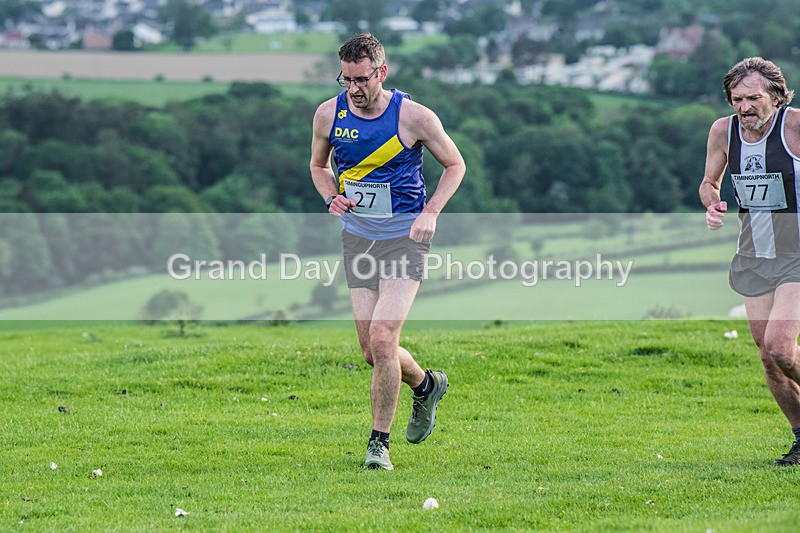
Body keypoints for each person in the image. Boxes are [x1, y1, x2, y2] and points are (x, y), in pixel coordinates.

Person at [309, 33, 466, 470]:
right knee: (371, 350)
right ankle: (427, 385)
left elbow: (456, 165)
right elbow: (319, 166)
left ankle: (379, 445)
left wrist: (431, 212)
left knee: (383, 338)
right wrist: (330, 197)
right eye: (346, 80)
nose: (354, 89)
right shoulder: (328, 114)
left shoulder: (414, 117)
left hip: (405, 238)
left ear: (382, 71)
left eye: (362, 79)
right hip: (358, 238)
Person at [700, 57, 800, 466]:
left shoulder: (794, 127)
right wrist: (712, 205)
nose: (744, 107)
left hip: (798, 254)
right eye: (737, 99)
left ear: (775, 96)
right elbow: (709, 182)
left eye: (753, 97)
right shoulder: (723, 132)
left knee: (780, 347)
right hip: (755, 256)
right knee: (767, 357)